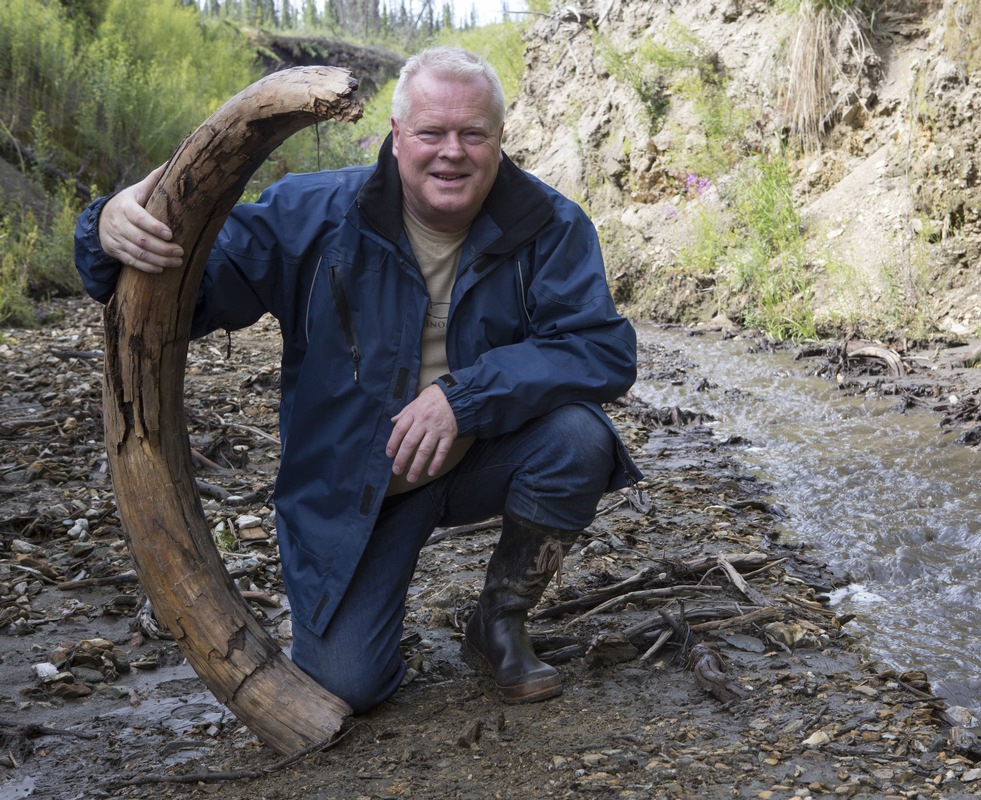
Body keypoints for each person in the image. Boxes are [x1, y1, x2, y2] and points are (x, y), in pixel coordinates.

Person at [74, 46, 640, 713]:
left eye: (472, 134)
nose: (451, 152)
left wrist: (465, 398)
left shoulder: (550, 224)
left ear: (499, 139)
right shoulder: (311, 214)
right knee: (347, 687)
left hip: (479, 458)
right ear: (396, 138)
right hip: (352, 493)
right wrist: (105, 226)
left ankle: (500, 621)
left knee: (579, 437)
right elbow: (185, 290)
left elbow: (602, 350)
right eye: (431, 132)